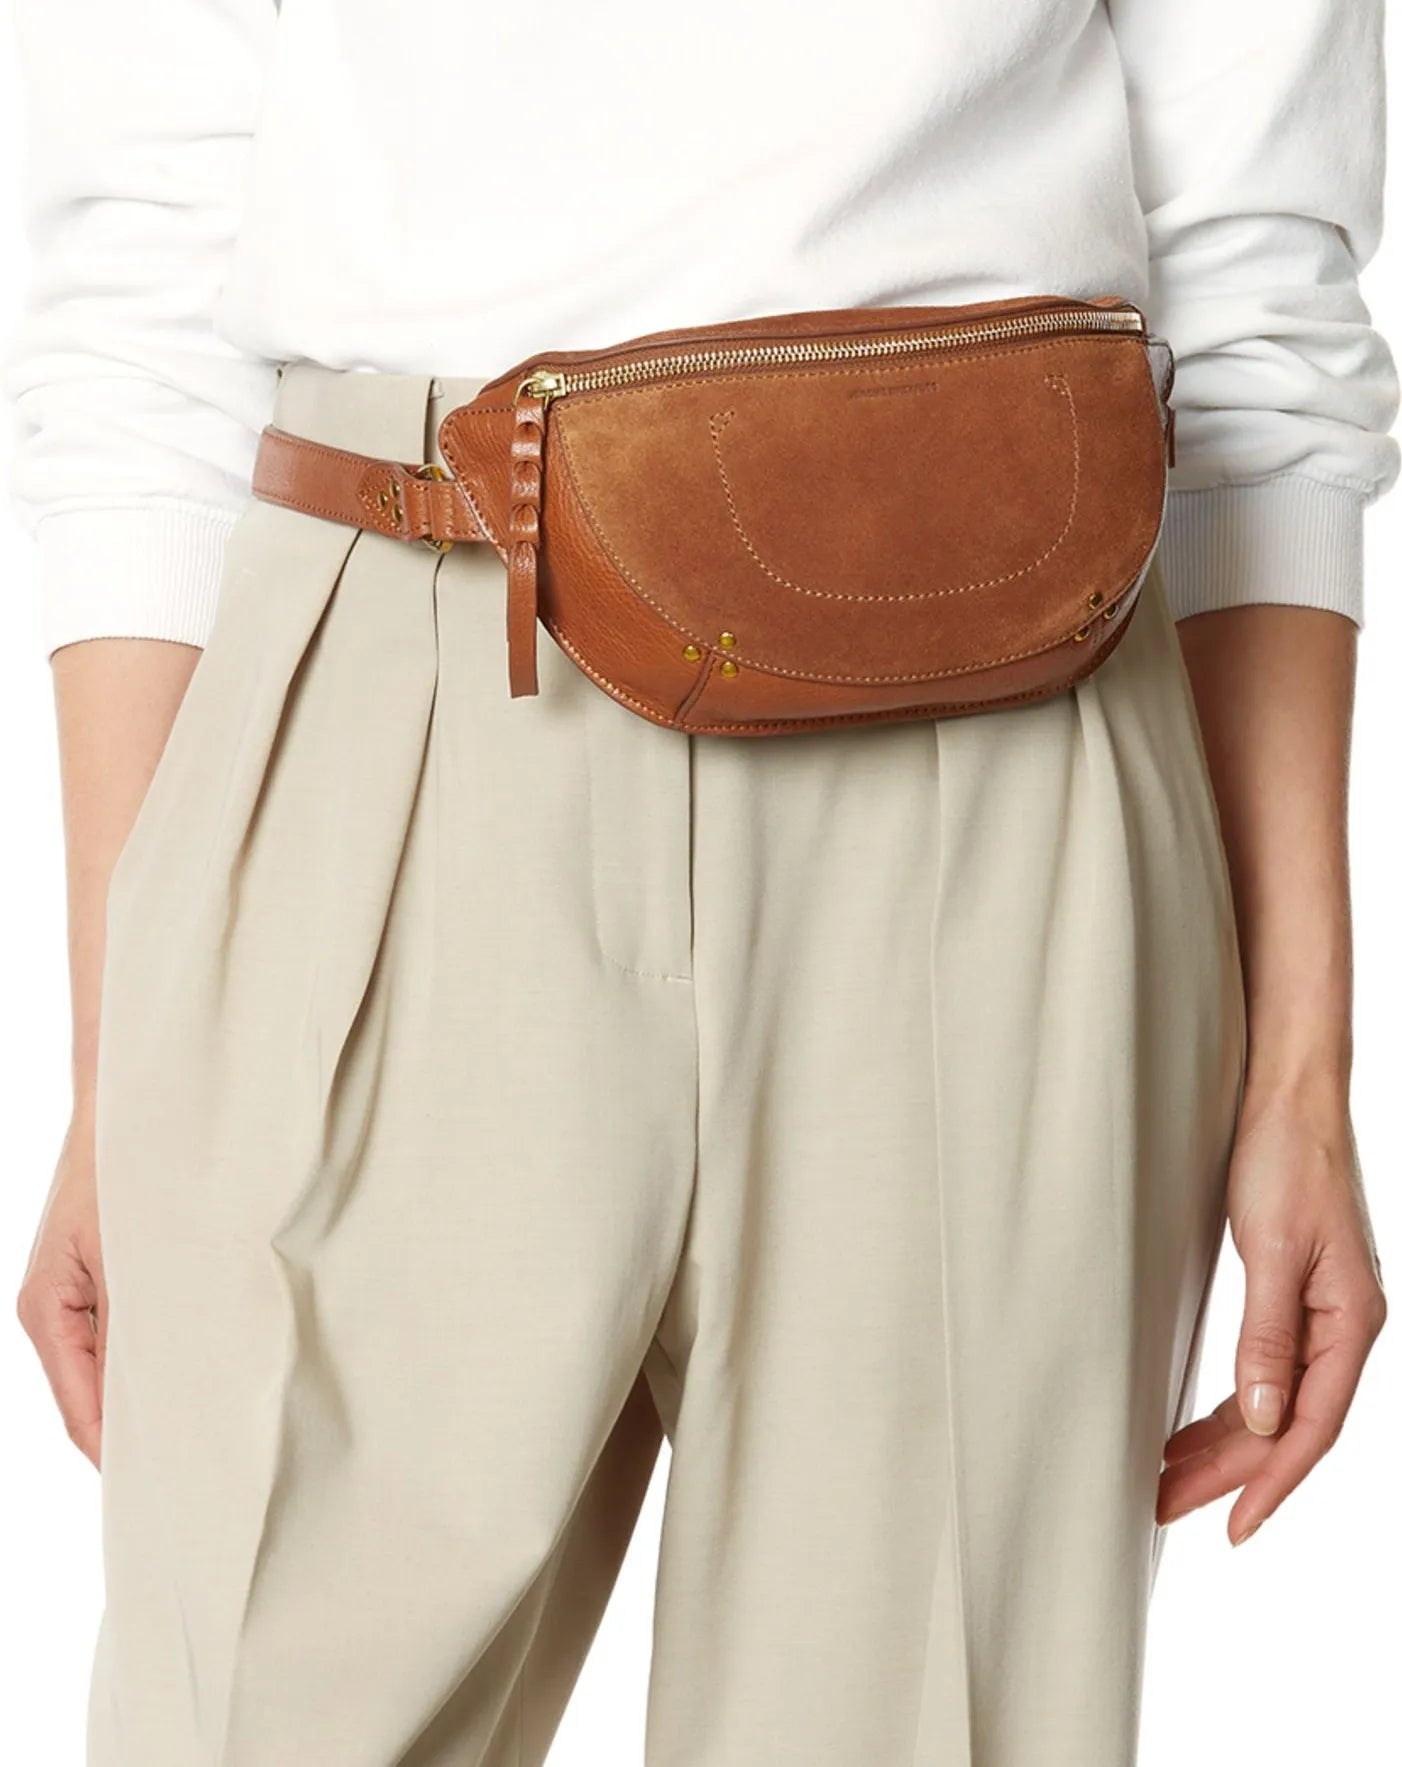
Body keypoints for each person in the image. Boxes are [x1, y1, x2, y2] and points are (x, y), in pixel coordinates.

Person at [5, 3, 1395, 1763]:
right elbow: (139, 279)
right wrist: (124, 1059)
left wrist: (1299, 1070)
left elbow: (1255, 290)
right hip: (396, 662)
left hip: (999, 726)